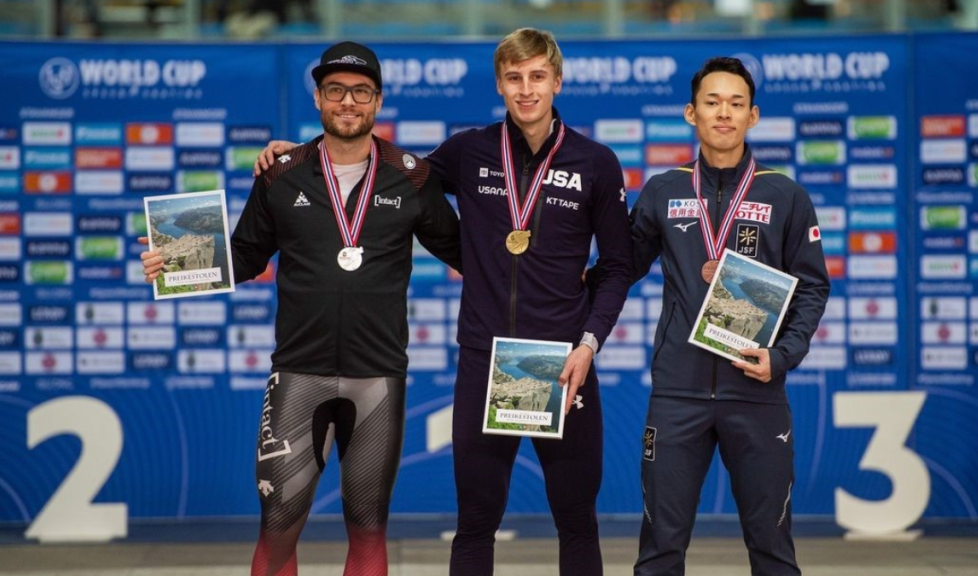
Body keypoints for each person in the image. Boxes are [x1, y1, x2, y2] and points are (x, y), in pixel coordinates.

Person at [254, 27, 633, 576]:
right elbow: (384, 170)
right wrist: (303, 154)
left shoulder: (596, 163)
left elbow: (618, 266)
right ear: (500, 85)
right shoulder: (470, 151)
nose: (526, 89)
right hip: (484, 359)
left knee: (576, 520)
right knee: (476, 522)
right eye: (513, 78)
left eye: (536, 77)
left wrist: (588, 341)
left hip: (564, 364)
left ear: (557, 81)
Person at [141, 41, 461, 576]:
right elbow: (245, 255)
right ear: (318, 98)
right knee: (278, 529)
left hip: (378, 377)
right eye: (336, 90)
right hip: (298, 374)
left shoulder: (412, 177)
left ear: (378, 101)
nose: (348, 102)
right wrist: (174, 260)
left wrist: (553, 280)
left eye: (360, 92)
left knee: (368, 530)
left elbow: (467, 255)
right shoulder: (281, 173)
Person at [628, 56, 830, 576]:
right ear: (690, 113)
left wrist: (781, 357)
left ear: (753, 116)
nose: (724, 113)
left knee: (773, 552)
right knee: (659, 553)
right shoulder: (663, 190)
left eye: (736, 104)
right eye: (712, 102)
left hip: (756, 392)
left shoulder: (785, 194)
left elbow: (812, 288)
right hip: (677, 394)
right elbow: (617, 270)